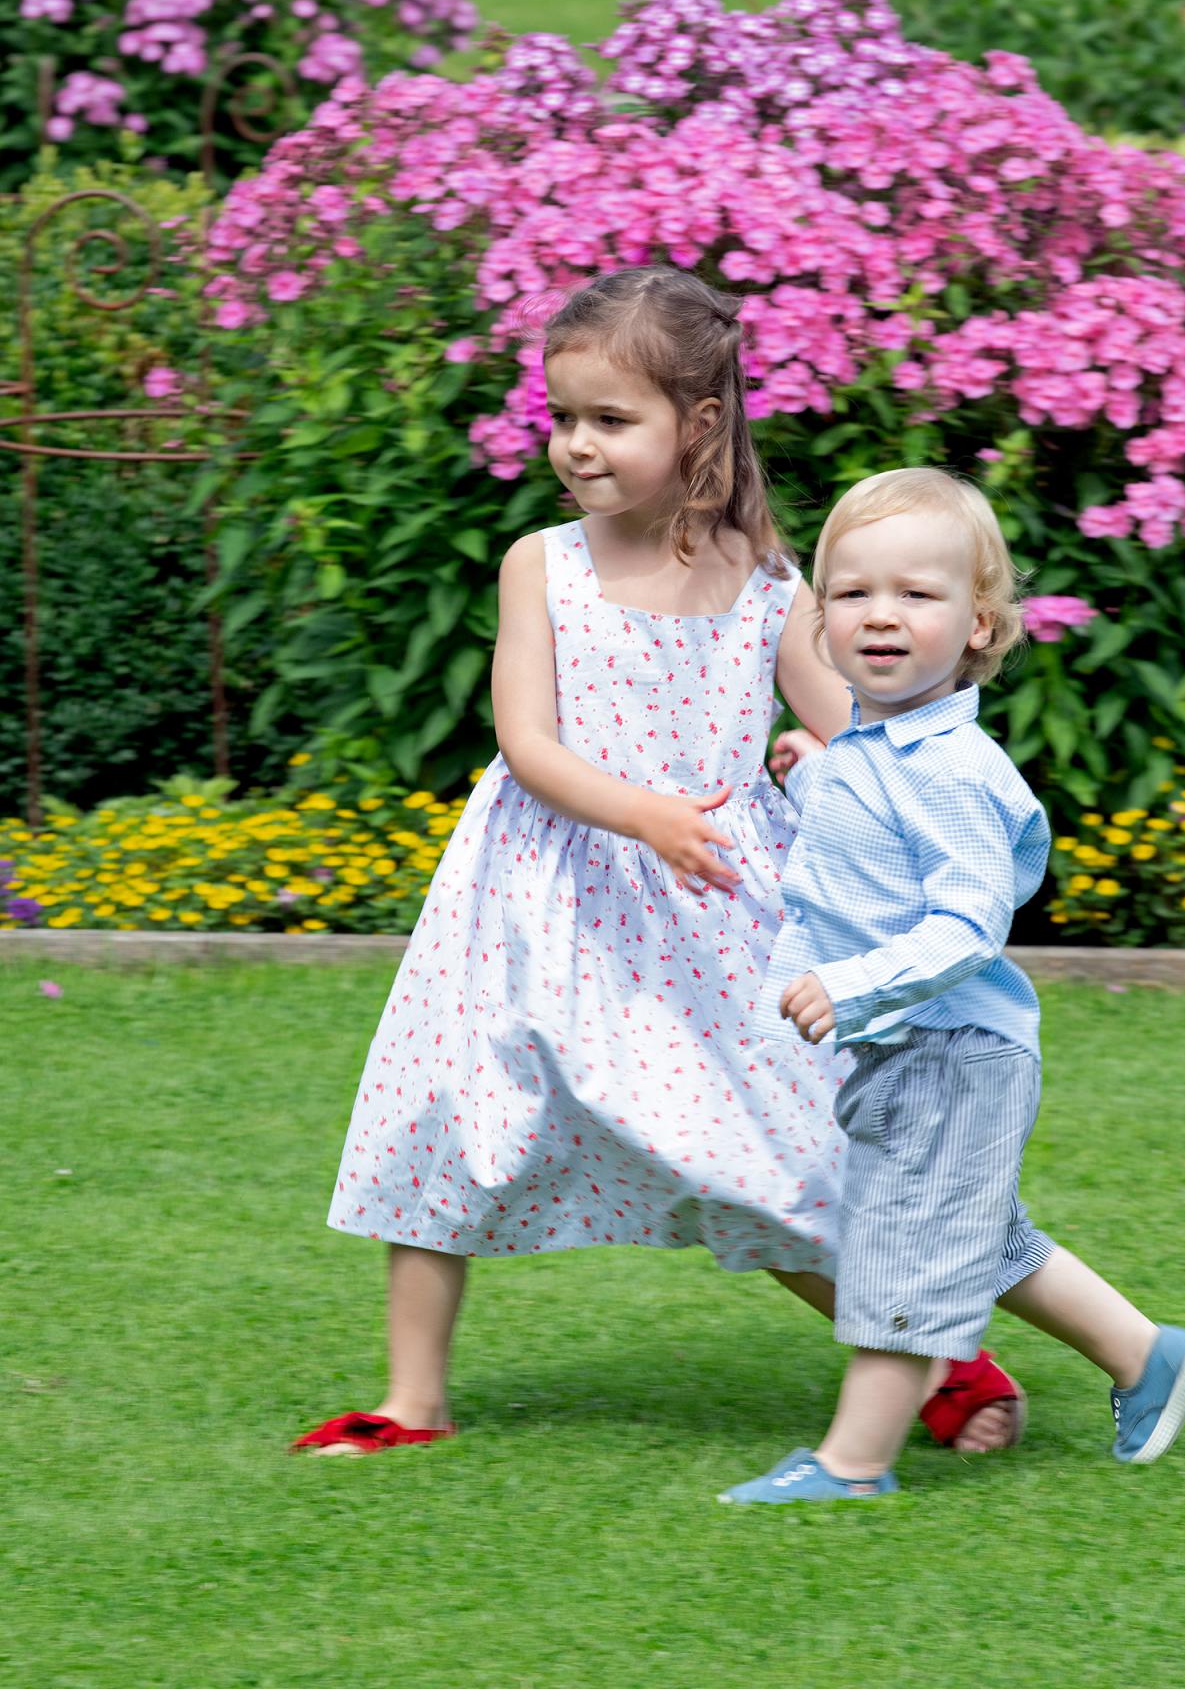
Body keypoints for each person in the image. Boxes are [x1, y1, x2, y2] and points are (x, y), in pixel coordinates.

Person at [293, 271, 1024, 1457]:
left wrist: (827, 767)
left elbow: (860, 731)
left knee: (758, 1153)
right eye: (562, 415)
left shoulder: (771, 585)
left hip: (705, 913)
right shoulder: (542, 563)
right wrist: (642, 814)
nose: (575, 445)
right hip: (530, 896)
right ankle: (410, 1401)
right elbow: (527, 745)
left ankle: (933, 1354)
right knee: (446, 1114)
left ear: (697, 421)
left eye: (608, 419)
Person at [720, 467, 1185, 1504]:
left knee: (901, 1251)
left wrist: (851, 985)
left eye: (915, 594)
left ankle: (851, 1463)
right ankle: (1144, 1354)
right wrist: (809, 776)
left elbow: (964, 922)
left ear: (978, 624)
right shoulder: (870, 745)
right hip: (903, 1047)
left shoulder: (954, 769)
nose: (879, 615)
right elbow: (871, 844)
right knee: (971, 1232)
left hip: (949, 1046)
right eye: (851, 593)